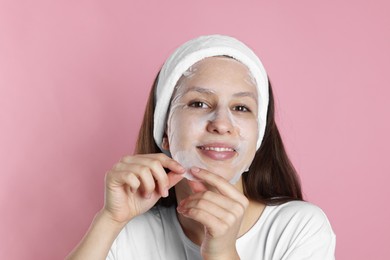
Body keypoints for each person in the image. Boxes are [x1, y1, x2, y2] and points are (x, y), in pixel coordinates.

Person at [67, 35, 336, 260]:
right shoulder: (129, 230)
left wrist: (223, 253)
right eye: (199, 103)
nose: (221, 123)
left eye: (241, 108)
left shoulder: (299, 227)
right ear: (165, 133)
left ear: (258, 140)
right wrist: (110, 220)